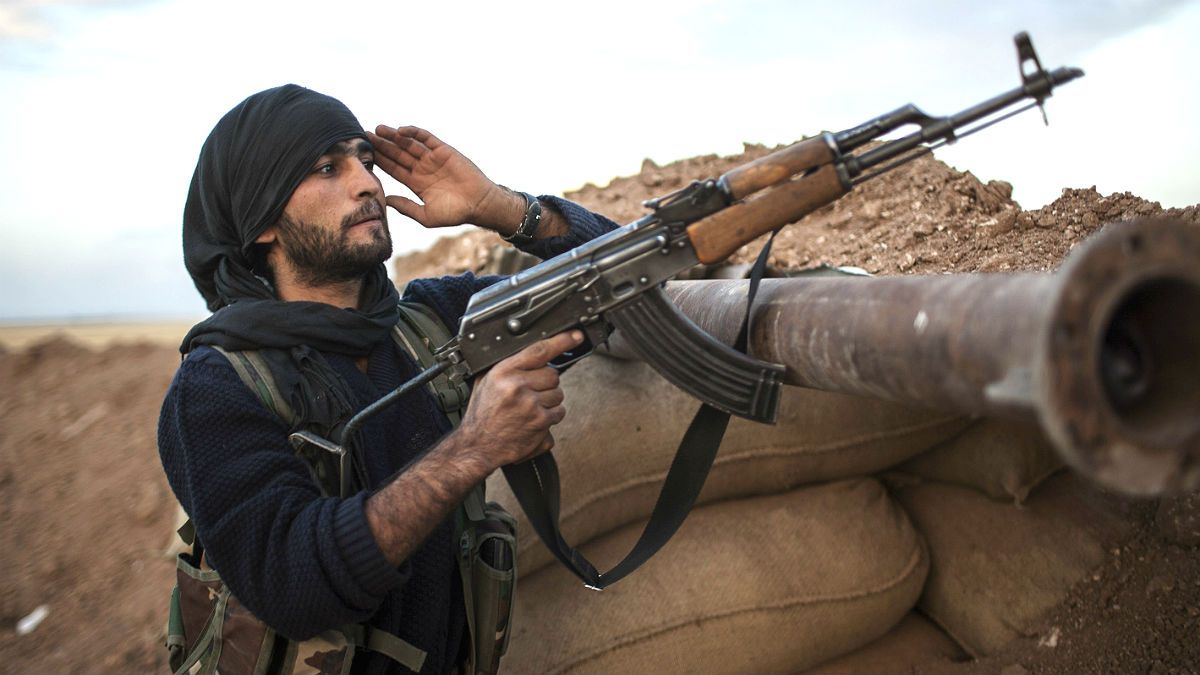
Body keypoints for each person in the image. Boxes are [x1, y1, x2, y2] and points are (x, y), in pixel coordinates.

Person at [158, 84, 620, 674]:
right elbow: (292, 586)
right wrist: (472, 448)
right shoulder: (215, 388)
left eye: (366, 161)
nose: (368, 183)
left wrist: (497, 206)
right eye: (328, 168)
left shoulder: (437, 323)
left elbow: (621, 285)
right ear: (261, 222)